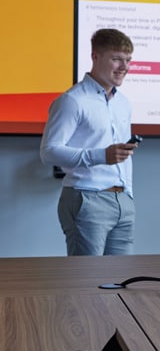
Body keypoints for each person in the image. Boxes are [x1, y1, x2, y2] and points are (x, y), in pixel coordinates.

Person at [40, 28, 137, 256]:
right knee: (87, 280)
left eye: (128, 60)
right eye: (116, 59)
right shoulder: (72, 100)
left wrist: (128, 194)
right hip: (86, 197)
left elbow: (122, 157)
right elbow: (48, 152)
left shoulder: (123, 103)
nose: (124, 67)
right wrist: (101, 156)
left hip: (122, 200)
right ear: (95, 57)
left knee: (121, 280)